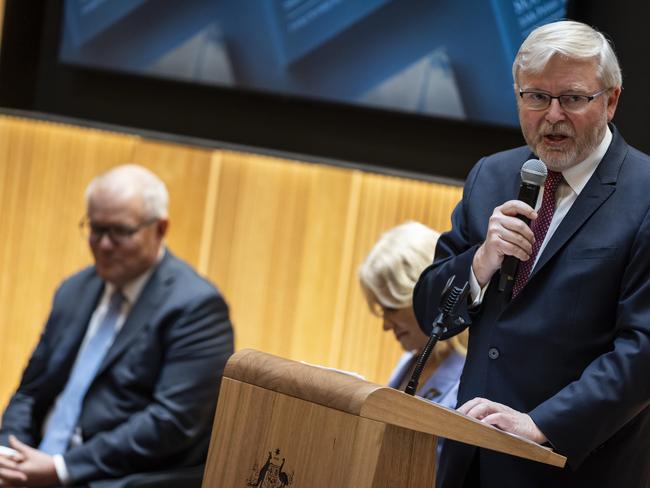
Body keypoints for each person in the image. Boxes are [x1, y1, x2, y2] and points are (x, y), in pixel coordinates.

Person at [413, 20, 650, 487]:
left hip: (574, 467)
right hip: (470, 463)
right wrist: (479, 263)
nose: (552, 115)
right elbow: (429, 311)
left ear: (611, 100)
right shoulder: (492, 176)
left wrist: (543, 425)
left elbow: (642, 349)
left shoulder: (644, 195)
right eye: (536, 96)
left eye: (573, 98)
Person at [0, 164, 234, 487]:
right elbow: (30, 391)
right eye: (96, 229)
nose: (104, 245)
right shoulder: (74, 290)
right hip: (35, 466)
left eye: (120, 232)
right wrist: (9, 455)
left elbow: (171, 423)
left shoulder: (196, 307)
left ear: (160, 229)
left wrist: (62, 468)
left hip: (113, 477)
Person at [358, 221, 466, 407]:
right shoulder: (408, 363)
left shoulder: (471, 378)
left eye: (390, 308)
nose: (386, 326)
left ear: (427, 293)